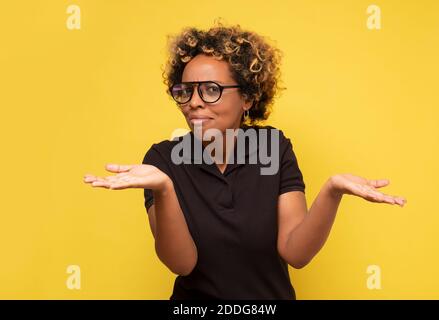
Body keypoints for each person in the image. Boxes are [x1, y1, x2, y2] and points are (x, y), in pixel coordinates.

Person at [83, 22, 407, 300]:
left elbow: (296, 253)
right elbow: (182, 263)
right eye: (185, 91)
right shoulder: (161, 161)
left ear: (248, 97)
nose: (194, 102)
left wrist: (332, 191)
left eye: (211, 89)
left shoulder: (274, 148)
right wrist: (165, 190)